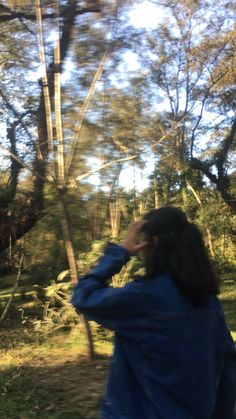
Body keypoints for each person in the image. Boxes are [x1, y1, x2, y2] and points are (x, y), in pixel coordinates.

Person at [72, 206, 236, 419]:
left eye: (142, 242)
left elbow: (83, 297)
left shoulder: (143, 297)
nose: (139, 250)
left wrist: (119, 253)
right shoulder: (208, 301)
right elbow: (228, 367)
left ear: (154, 243)